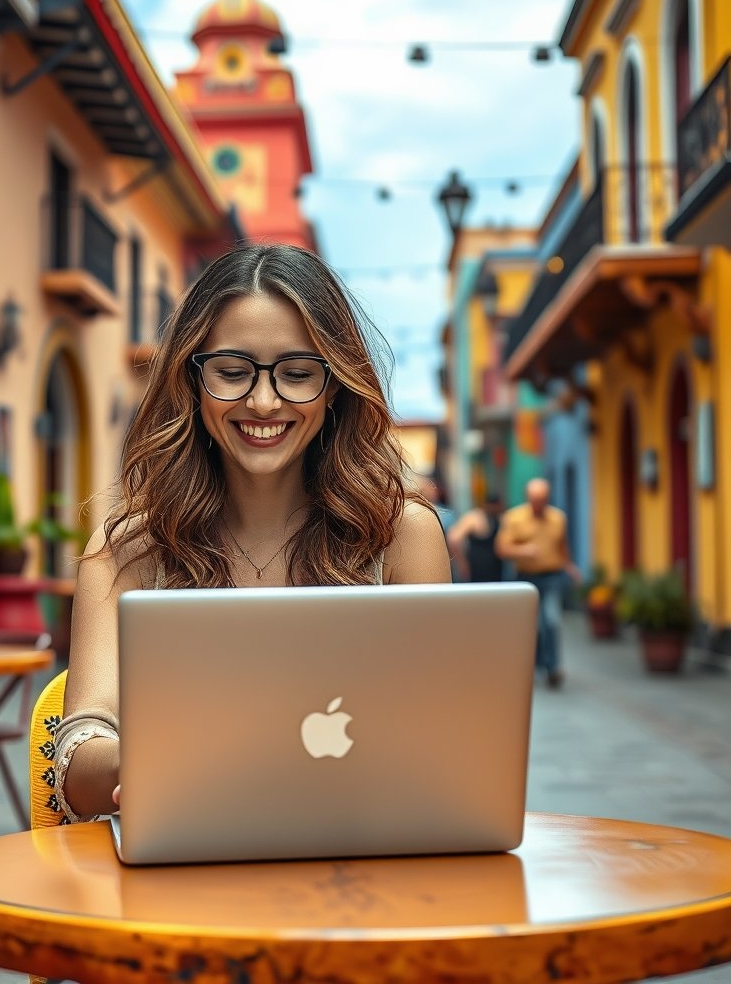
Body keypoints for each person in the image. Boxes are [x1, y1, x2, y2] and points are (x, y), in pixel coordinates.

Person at [55, 244, 452, 822]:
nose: (263, 402)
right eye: (233, 373)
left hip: (363, 864)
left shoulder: (402, 536)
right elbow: (79, 753)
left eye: (296, 374)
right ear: (192, 380)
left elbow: (441, 740)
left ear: (335, 385)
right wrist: (141, 765)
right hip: (184, 872)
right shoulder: (128, 549)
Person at [494, 478, 580, 689]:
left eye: (542, 499)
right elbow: (501, 549)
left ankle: (552, 668)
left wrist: (570, 566)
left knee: (551, 620)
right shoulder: (514, 518)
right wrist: (523, 550)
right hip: (525, 578)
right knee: (534, 625)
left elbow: (562, 546)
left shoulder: (558, 518)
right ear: (528, 498)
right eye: (534, 499)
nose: (538, 503)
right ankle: (536, 663)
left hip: (551, 576)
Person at [446, 491, 504, 583]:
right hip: (476, 570)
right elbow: (453, 539)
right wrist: (461, 564)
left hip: (495, 571)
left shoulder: (499, 518)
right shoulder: (474, 518)